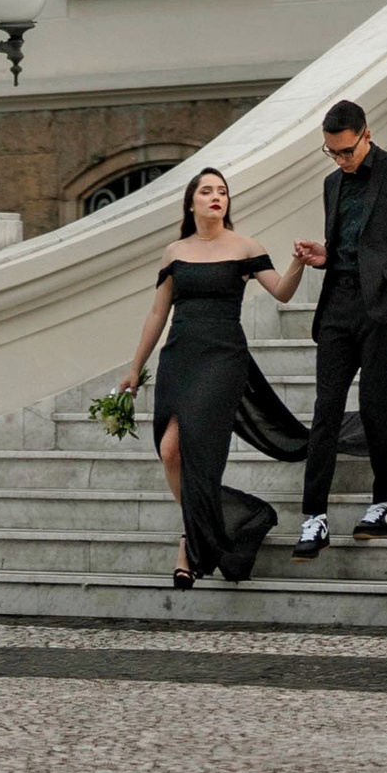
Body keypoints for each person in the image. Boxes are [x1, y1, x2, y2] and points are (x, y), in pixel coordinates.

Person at [119, 168, 309, 587]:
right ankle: (205, 525)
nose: (216, 197)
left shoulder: (245, 247)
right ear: (191, 203)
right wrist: (135, 367)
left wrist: (297, 263)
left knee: (195, 452)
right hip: (179, 357)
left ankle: (189, 542)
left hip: (223, 359)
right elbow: (157, 313)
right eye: (206, 191)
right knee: (170, 451)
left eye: (222, 191)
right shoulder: (175, 252)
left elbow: (282, 292)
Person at [291, 98, 387, 556]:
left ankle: (385, 503)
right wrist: (325, 256)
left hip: (380, 308)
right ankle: (315, 517)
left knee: (373, 407)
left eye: (346, 151)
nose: (340, 160)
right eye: (332, 152)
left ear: (366, 135)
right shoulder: (333, 183)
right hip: (336, 306)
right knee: (326, 409)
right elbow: (350, 244)